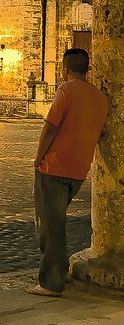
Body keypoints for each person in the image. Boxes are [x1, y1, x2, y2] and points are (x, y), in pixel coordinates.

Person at [28, 48, 108, 297]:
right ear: (88, 69)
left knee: (50, 226)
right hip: (79, 170)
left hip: (55, 166)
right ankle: (60, 269)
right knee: (57, 221)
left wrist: (38, 157)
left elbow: (51, 127)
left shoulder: (66, 90)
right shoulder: (100, 98)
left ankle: (51, 282)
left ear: (65, 68)